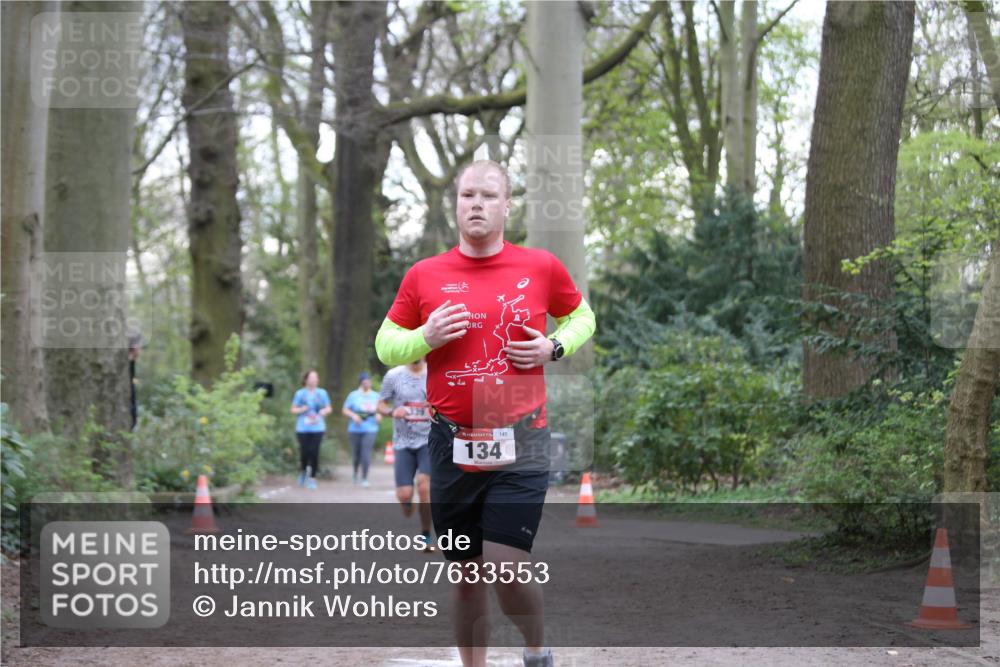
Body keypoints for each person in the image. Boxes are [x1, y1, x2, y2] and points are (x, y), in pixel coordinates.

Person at [375, 159, 596, 667]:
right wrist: (423, 338)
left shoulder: (539, 266)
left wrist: (553, 348)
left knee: (505, 566)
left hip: (521, 438)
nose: (476, 204)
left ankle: (537, 652)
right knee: (467, 574)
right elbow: (386, 344)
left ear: (506, 206)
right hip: (450, 442)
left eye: (488, 196)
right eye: (467, 195)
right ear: (455, 204)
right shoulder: (424, 274)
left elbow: (582, 316)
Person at [377, 357, 434, 552]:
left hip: (428, 441)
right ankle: (406, 502)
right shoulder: (394, 376)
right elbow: (380, 405)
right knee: (405, 495)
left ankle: (426, 535)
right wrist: (393, 412)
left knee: (425, 487)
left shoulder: (435, 373)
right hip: (403, 442)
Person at [290, 370, 332, 490]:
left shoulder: (322, 393)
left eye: (316, 377)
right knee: (304, 452)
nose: (314, 380)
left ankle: (312, 478)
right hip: (303, 427)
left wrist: (324, 411)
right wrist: (302, 409)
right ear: (306, 380)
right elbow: (293, 410)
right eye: (311, 377)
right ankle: (303, 471)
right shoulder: (300, 393)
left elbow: (329, 407)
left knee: (314, 452)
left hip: (318, 427)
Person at [342, 372, 382, 487]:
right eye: (364, 382)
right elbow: (345, 410)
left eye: (368, 382)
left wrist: (379, 415)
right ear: (360, 383)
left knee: (366, 453)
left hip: (370, 429)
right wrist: (353, 416)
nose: (367, 384)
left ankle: (365, 478)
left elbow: (380, 410)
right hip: (355, 429)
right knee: (356, 454)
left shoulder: (376, 396)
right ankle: (355, 472)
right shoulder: (353, 395)